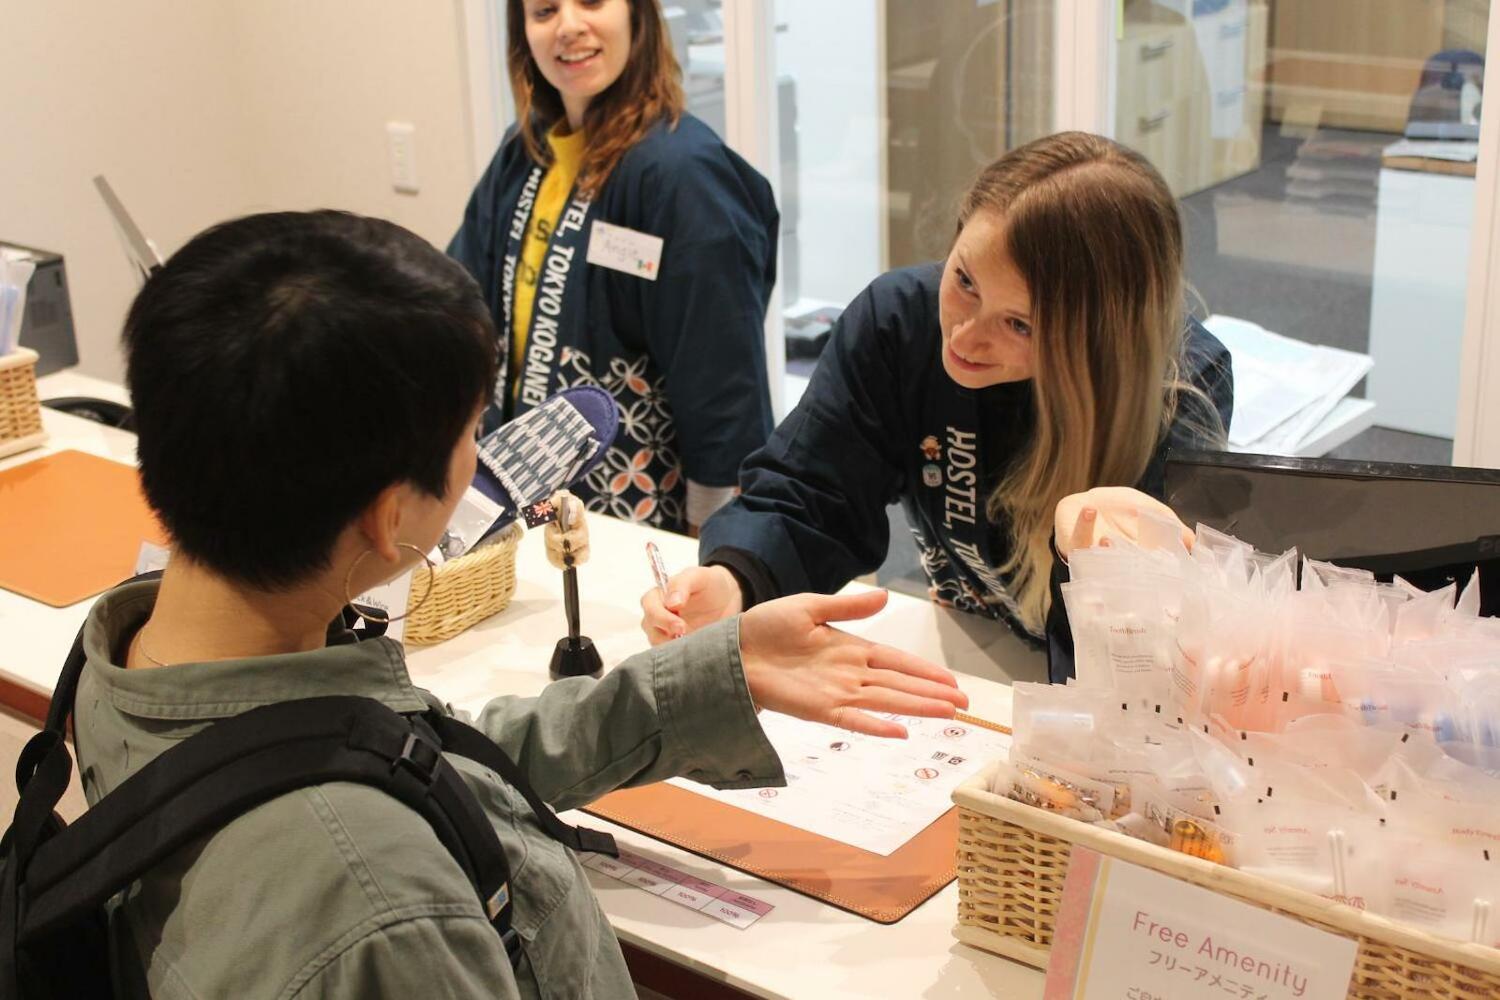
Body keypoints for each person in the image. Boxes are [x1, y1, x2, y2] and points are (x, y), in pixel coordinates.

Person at [77, 210, 966, 998]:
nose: (481, 454)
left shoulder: (140, 653)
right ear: (392, 517)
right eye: (471, 431)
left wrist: (702, 679)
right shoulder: (384, 911)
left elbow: (411, 761)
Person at [640, 132, 1235, 682]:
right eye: (966, 281)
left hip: (1089, 688)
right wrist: (735, 579)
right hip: (965, 646)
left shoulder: (1179, 390)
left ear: (1097, 340)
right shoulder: (899, 322)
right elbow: (812, 494)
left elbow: (1146, 651)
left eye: (1020, 324)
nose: (966, 337)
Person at [449, 0, 778, 535]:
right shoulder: (524, 154)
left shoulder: (684, 176)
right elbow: (454, 302)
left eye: (593, 2)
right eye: (545, 11)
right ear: (523, 33)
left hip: (636, 513)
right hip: (519, 499)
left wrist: (717, 533)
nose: (569, 27)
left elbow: (720, 370)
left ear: (637, 17)